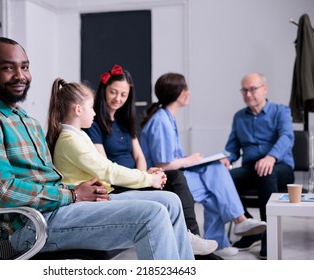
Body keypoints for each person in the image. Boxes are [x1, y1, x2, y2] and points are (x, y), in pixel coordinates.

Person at [0, 37, 194, 260]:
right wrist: (72, 195)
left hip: (61, 209)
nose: (20, 75)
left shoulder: (26, 120)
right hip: (34, 226)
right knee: (152, 215)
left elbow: (47, 180)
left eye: (25, 67)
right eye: (8, 68)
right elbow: (5, 192)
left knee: (170, 201)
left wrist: (79, 191)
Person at [45, 77, 200, 260]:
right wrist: (148, 179)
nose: (94, 113)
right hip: (88, 203)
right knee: (157, 210)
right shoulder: (69, 140)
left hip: (102, 196)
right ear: (78, 109)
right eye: (92, 107)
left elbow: (107, 168)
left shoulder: (79, 136)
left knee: (171, 200)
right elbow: (108, 171)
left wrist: (143, 174)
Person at [83, 64, 220, 260]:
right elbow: (105, 166)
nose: (118, 98)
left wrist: (144, 175)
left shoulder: (124, 122)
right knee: (171, 186)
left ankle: (192, 238)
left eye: (123, 94)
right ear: (104, 90)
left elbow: (139, 156)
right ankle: (195, 246)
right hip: (117, 184)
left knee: (174, 176)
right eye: (113, 92)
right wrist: (141, 179)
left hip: (136, 179)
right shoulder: (94, 124)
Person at [140, 72, 267, 258]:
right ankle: (239, 220)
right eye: (185, 88)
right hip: (163, 180)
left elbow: (171, 158)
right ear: (177, 93)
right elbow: (163, 164)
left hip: (174, 176)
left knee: (214, 183)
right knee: (214, 181)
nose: (189, 92)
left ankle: (222, 240)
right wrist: (190, 160)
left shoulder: (167, 118)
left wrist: (190, 159)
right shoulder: (161, 121)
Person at [220, 72, 295, 260]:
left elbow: (287, 137)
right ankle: (251, 228)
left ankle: (269, 236)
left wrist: (271, 157)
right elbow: (232, 148)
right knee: (222, 179)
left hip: (280, 167)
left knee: (265, 173)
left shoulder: (281, 111)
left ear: (264, 89)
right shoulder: (239, 117)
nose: (248, 94)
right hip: (251, 167)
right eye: (244, 90)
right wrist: (225, 159)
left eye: (252, 89)